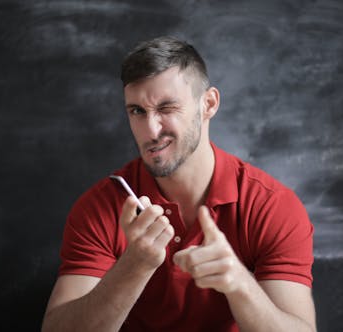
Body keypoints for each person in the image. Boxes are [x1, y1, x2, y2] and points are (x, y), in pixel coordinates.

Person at [42, 36, 316, 332]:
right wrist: (136, 265)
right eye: (137, 111)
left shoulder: (271, 205)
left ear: (208, 104)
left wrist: (240, 283)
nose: (150, 130)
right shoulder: (102, 206)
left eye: (167, 108)